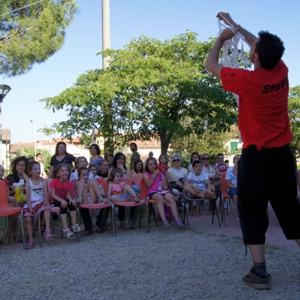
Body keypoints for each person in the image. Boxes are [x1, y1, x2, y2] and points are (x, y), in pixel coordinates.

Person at [205, 12, 300, 290]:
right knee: (291, 210)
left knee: (251, 210)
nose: (250, 46)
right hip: (283, 155)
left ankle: (260, 273)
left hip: (257, 157)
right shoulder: (281, 70)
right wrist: (236, 26)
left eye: (253, 47)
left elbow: (210, 64)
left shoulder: (248, 81)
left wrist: (221, 39)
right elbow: (259, 44)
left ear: (256, 57)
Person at [144, 157, 184, 228]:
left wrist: (164, 186)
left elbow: (165, 186)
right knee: (159, 198)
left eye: (153, 164)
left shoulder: (160, 174)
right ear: (147, 166)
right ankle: (164, 220)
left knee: (171, 197)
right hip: (152, 192)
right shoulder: (146, 174)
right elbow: (148, 184)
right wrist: (154, 175)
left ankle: (177, 220)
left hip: (162, 191)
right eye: (150, 164)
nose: (152, 166)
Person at [49, 163, 84, 239]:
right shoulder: (54, 181)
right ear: (58, 173)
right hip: (54, 200)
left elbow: (68, 195)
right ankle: (65, 228)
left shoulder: (69, 183)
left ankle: (74, 225)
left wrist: (71, 199)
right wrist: (62, 200)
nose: (65, 172)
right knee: (63, 205)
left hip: (64, 200)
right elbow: (53, 195)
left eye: (67, 170)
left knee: (72, 204)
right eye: (62, 171)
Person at [23, 161, 53, 249]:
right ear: (30, 171)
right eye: (35, 169)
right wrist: (30, 207)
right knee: (28, 218)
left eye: (39, 168)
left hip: (41, 201)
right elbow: (28, 196)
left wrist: (46, 200)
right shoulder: (28, 182)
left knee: (47, 207)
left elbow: (46, 193)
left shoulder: (43, 181)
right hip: (31, 203)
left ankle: (47, 230)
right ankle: (31, 240)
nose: (38, 170)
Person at [6, 156, 29, 243]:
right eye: (18, 165)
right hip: (15, 200)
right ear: (15, 166)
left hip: (26, 200)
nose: (20, 167)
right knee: (12, 207)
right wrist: (25, 188)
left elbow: (30, 186)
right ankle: (14, 234)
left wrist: (24, 175)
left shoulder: (28, 177)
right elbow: (14, 189)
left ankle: (31, 231)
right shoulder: (11, 176)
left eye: (23, 165)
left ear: (26, 167)